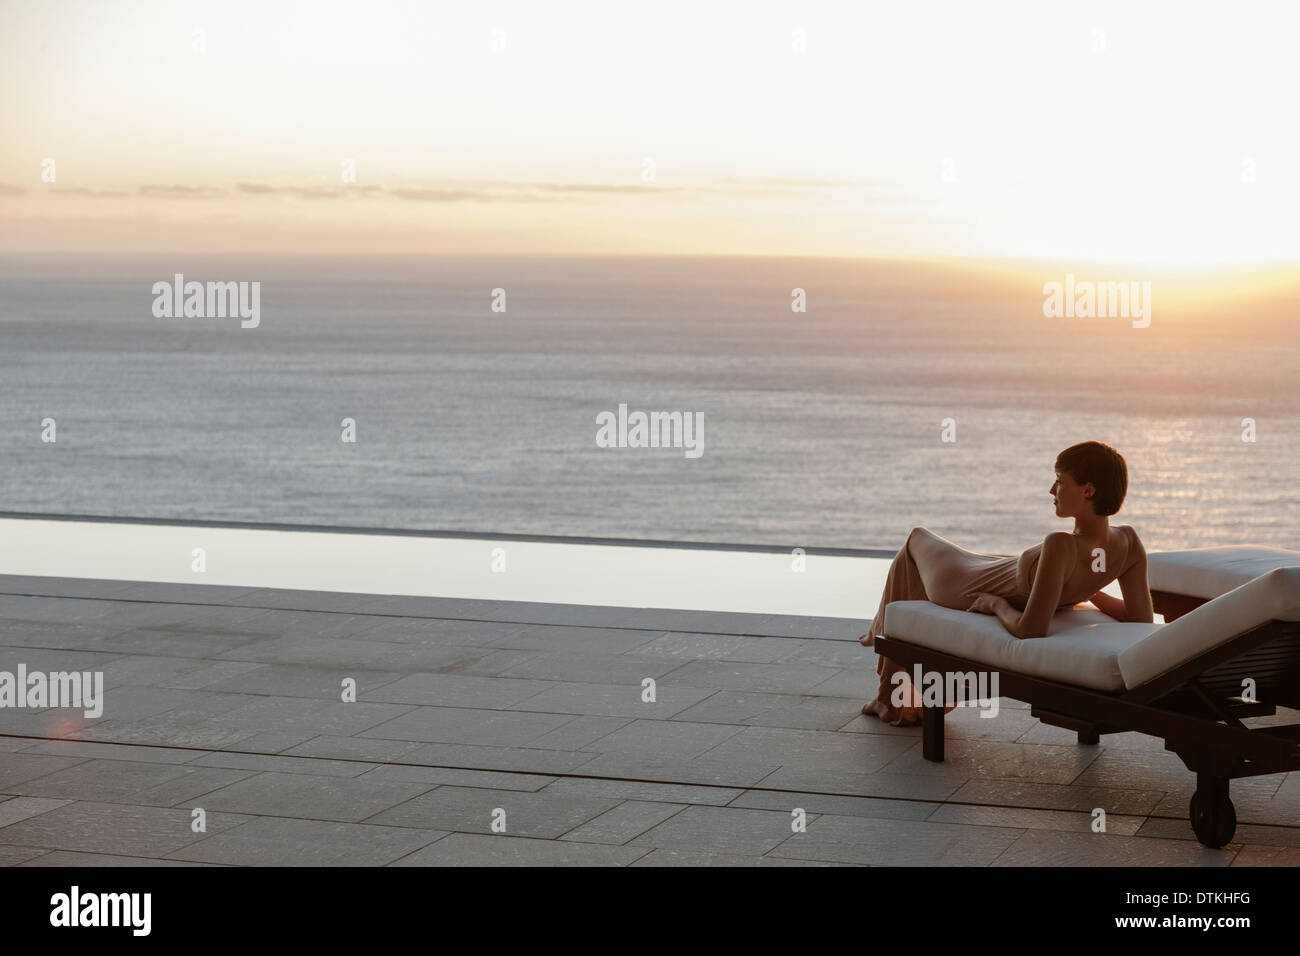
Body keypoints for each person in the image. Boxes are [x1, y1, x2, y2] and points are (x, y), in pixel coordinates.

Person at [859, 441, 1154, 726]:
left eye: (1060, 481)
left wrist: (995, 604)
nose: (1052, 490)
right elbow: (1140, 617)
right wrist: (1091, 590)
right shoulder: (1128, 541)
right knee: (945, 554)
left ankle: (887, 690)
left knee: (916, 537)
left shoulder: (1061, 545)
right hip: (993, 569)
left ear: (1088, 490)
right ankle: (896, 686)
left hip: (965, 583)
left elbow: (1030, 630)